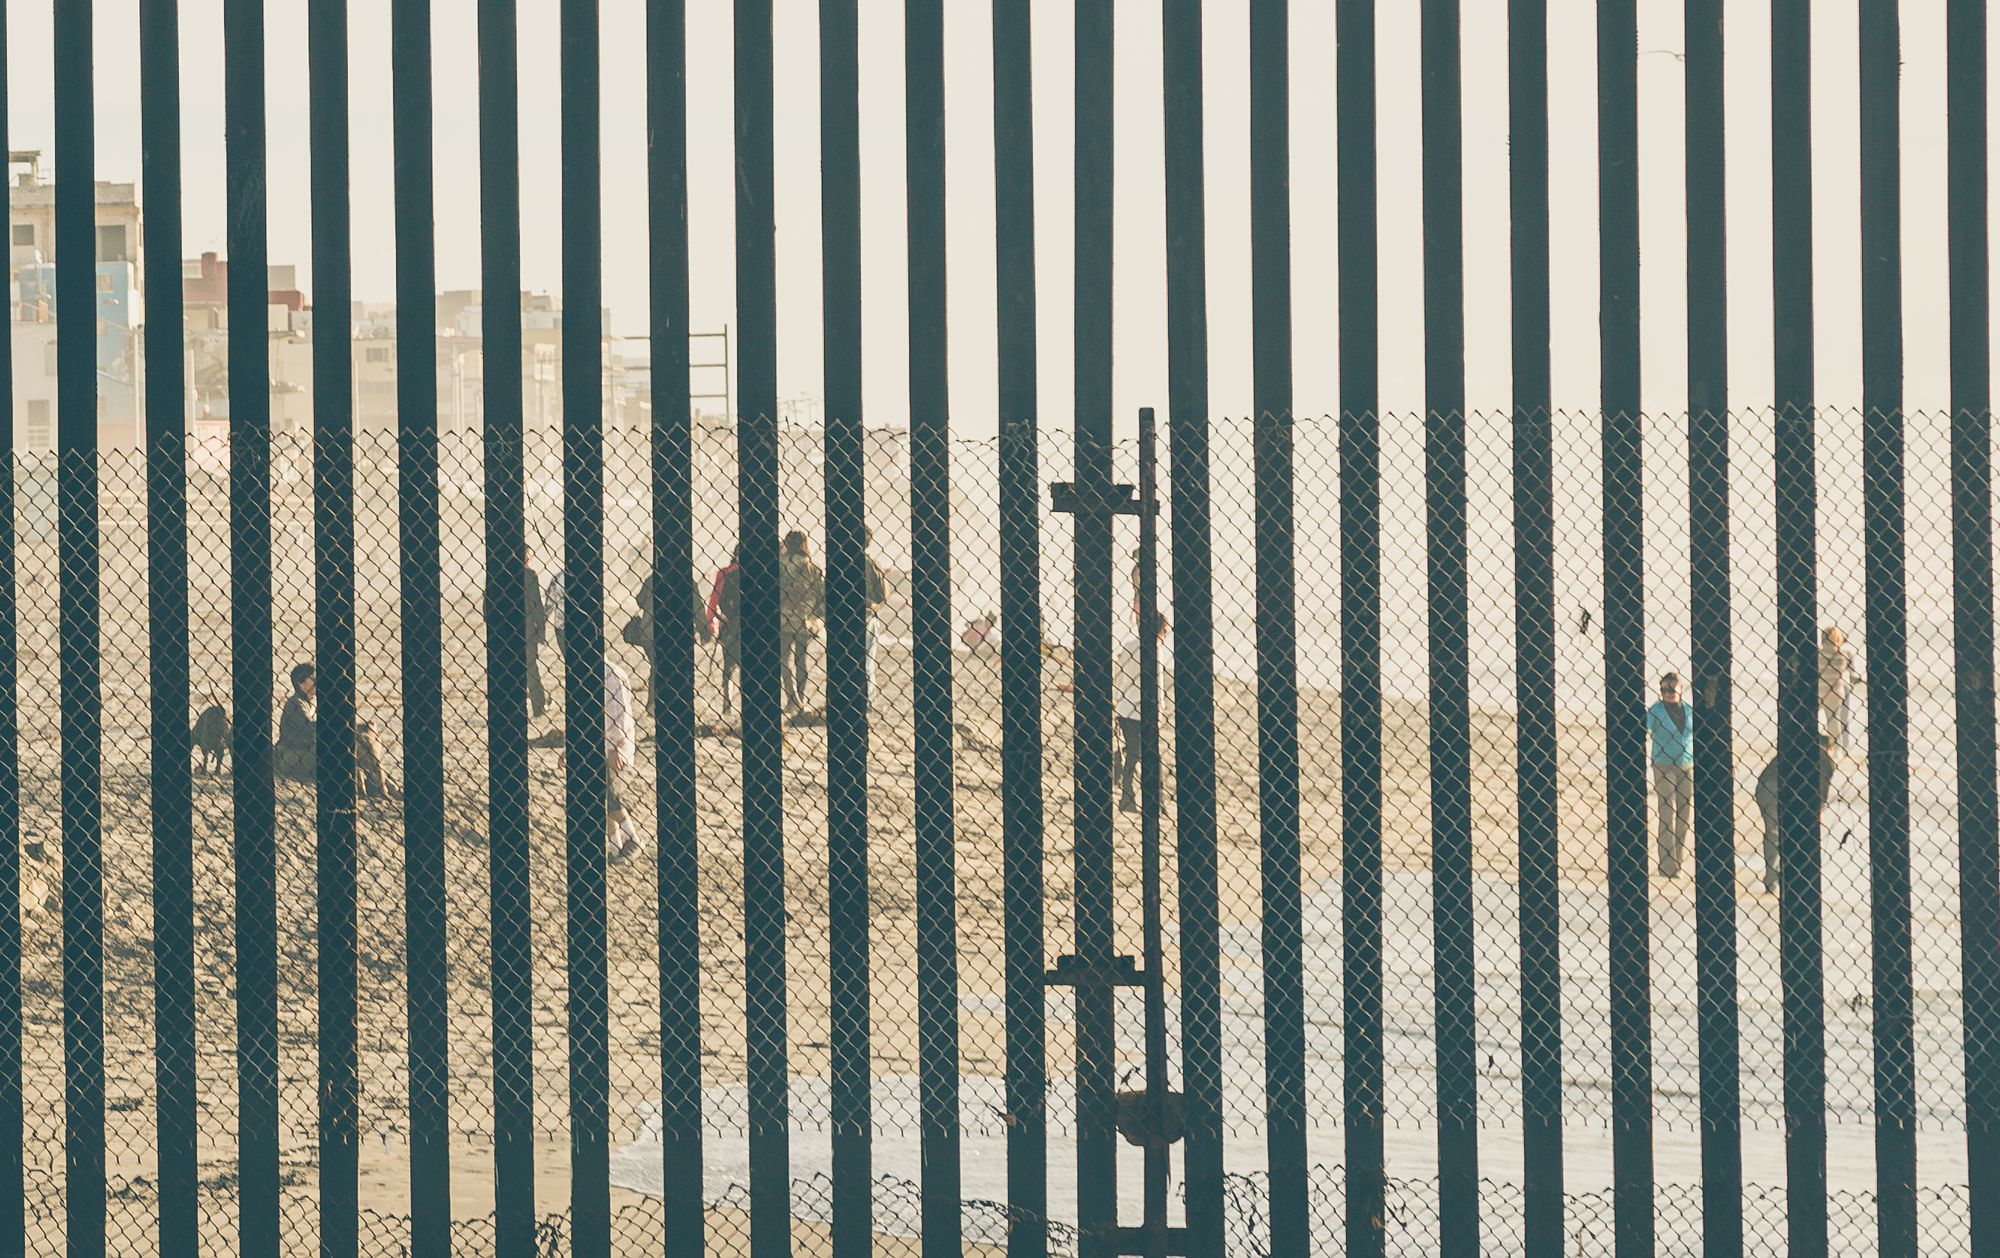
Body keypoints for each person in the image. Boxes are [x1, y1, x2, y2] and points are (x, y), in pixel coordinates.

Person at [1754, 734, 1839, 894]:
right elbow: (1822, 788)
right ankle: (1791, 877)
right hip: (1781, 791)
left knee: (1773, 833)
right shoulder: (1825, 759)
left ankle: (1772, 880)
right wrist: (1819, 810)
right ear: (1830, 748)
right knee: (1790, 833)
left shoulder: (1796, 749)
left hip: (1764, 788)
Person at [484, 543, 548, 718]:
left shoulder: (497, 575)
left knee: (504, 668)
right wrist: (541, 630)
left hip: (502, 630)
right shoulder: (529, 575)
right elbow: (537, 605)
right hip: (526, 629)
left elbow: (487, 603)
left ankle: (507, 708)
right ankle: (538, 705)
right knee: (530, 669)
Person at [1114, 609, 1169, 813]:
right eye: (1165, 630)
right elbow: (1158, 683)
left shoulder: (1128, 647)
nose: (1166, 635)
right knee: (1150, 756)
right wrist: (1160, 709)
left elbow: (1120, 677)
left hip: (1125, 708)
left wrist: (1118, 701)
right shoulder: (1155, 650)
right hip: (1144, 711)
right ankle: (1154, 800)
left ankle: (1128, 797)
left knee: (1134, 752)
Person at [1646, 672, 1694, 877]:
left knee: (1684, 815)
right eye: (1664, 689)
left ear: (1681, 689)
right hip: (1663, 764)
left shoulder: (1690, 711)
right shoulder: (1655, 712)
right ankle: (1666, 863)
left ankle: (1678, 861)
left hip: (1686, 764)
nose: (1668, 693)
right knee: (1667, 811)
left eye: (1672, 689)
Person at [778, 531, 825, 715]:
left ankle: (792, 698)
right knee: (801, 659)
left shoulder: (779, 566)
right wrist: (818, 615)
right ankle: (802, 696)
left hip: (782, 618)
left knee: (783, 660)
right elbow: (822, 594)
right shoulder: (813, 567)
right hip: (806, 620)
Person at [708, 548, 744, 709]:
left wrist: (715, 620)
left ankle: (727, 701)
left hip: (729, 624)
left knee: (728, 664)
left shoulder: (726, 574)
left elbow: (716, 601)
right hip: (748, 626)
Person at [276, 662, 317, 784]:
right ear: (302, 684)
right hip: (291, 755)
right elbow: (310, 728)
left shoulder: (308, 702)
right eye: (313, 679)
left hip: (302, 752)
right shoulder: (296, 704)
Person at [1820, 625, 1857, 752]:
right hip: (1836, 692)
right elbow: (1852, 674)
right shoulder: (1844, 654)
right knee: (1834, 723)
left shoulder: (1817, 654)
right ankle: (1837, 751)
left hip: (1819, 690)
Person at [864, 528, 889, 705]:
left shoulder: (837, 561)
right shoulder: (871, 563)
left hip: (840, 619)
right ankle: (867, 700)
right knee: (867, 662)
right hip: (866, 616)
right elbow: (882, 595)